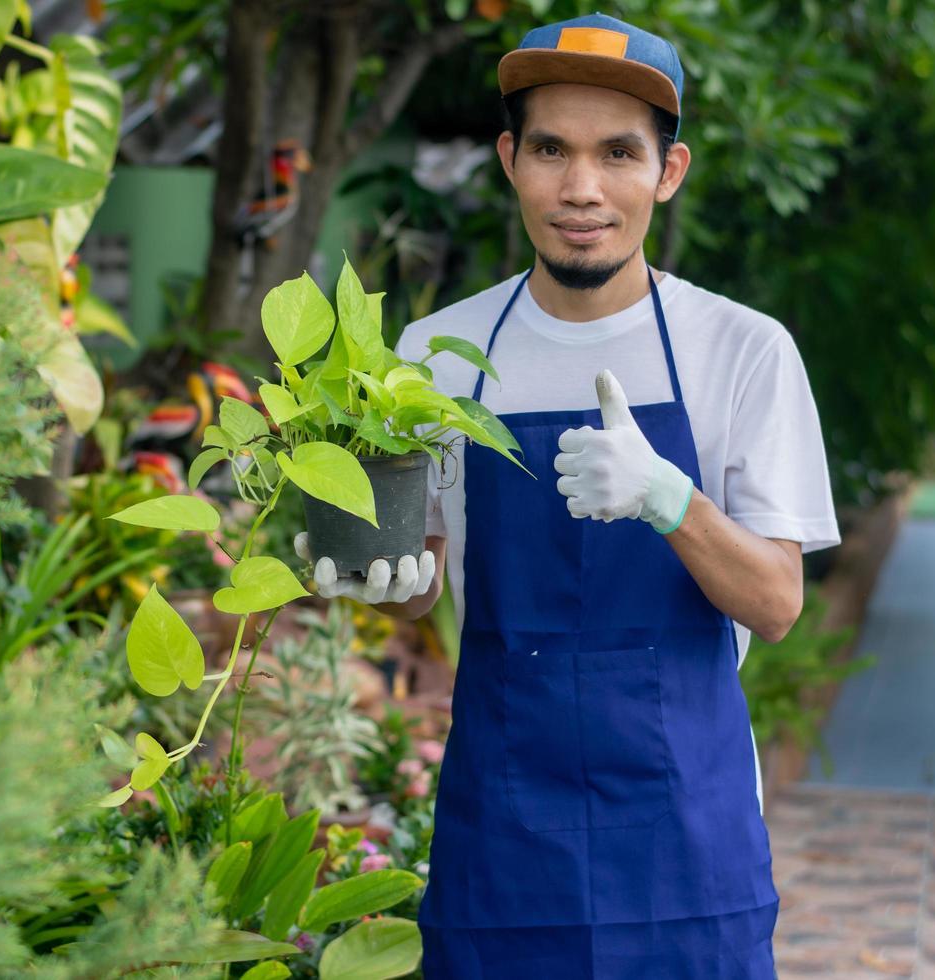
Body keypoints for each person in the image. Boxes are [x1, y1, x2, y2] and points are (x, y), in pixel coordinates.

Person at [294, 11, 840, 977]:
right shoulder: (433, 356)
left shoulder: (743, 351)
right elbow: (426, 582)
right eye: (551, 149)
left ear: (667, 174)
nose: (581, 188)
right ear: (511, 160)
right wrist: (374, 573)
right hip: (504, 845)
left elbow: (778, 603)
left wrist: (673, 501)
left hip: (687, 852)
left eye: (618, 153)